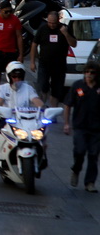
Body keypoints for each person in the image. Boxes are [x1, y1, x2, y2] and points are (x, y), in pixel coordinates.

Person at [0, 61, 44, 185]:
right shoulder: (2, 88)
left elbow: (36, 100)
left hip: (25, 121)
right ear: (9, 76)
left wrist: (44, 109)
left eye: (19, 77)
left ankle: (40, 162)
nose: (17, 79)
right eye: (14, 76)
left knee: (40, 139)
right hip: (6, 120)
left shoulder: (28, 88)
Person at [64, 60, 100, 193]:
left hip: (96, 128)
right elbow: (68, 105)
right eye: (86, 72)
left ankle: (90, 182)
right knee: (79, 151)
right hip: (80, 126)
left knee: (93, 154)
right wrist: (67, 124)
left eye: (92, 72)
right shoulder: (78, 86)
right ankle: (76, 169)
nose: (89, 75)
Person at [30, 11, 77, 106]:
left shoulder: (65, 28)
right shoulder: (43, 29)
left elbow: (74, 44)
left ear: (58, 20)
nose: (51, 25)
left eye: (54, 23)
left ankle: (53, 110)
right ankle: (41, 108)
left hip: (59, 65)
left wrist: (65, 33)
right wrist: (32, 62)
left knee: (57, 90)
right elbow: (34, 44)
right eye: (49, 22)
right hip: (44, 63)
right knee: (42, 86)